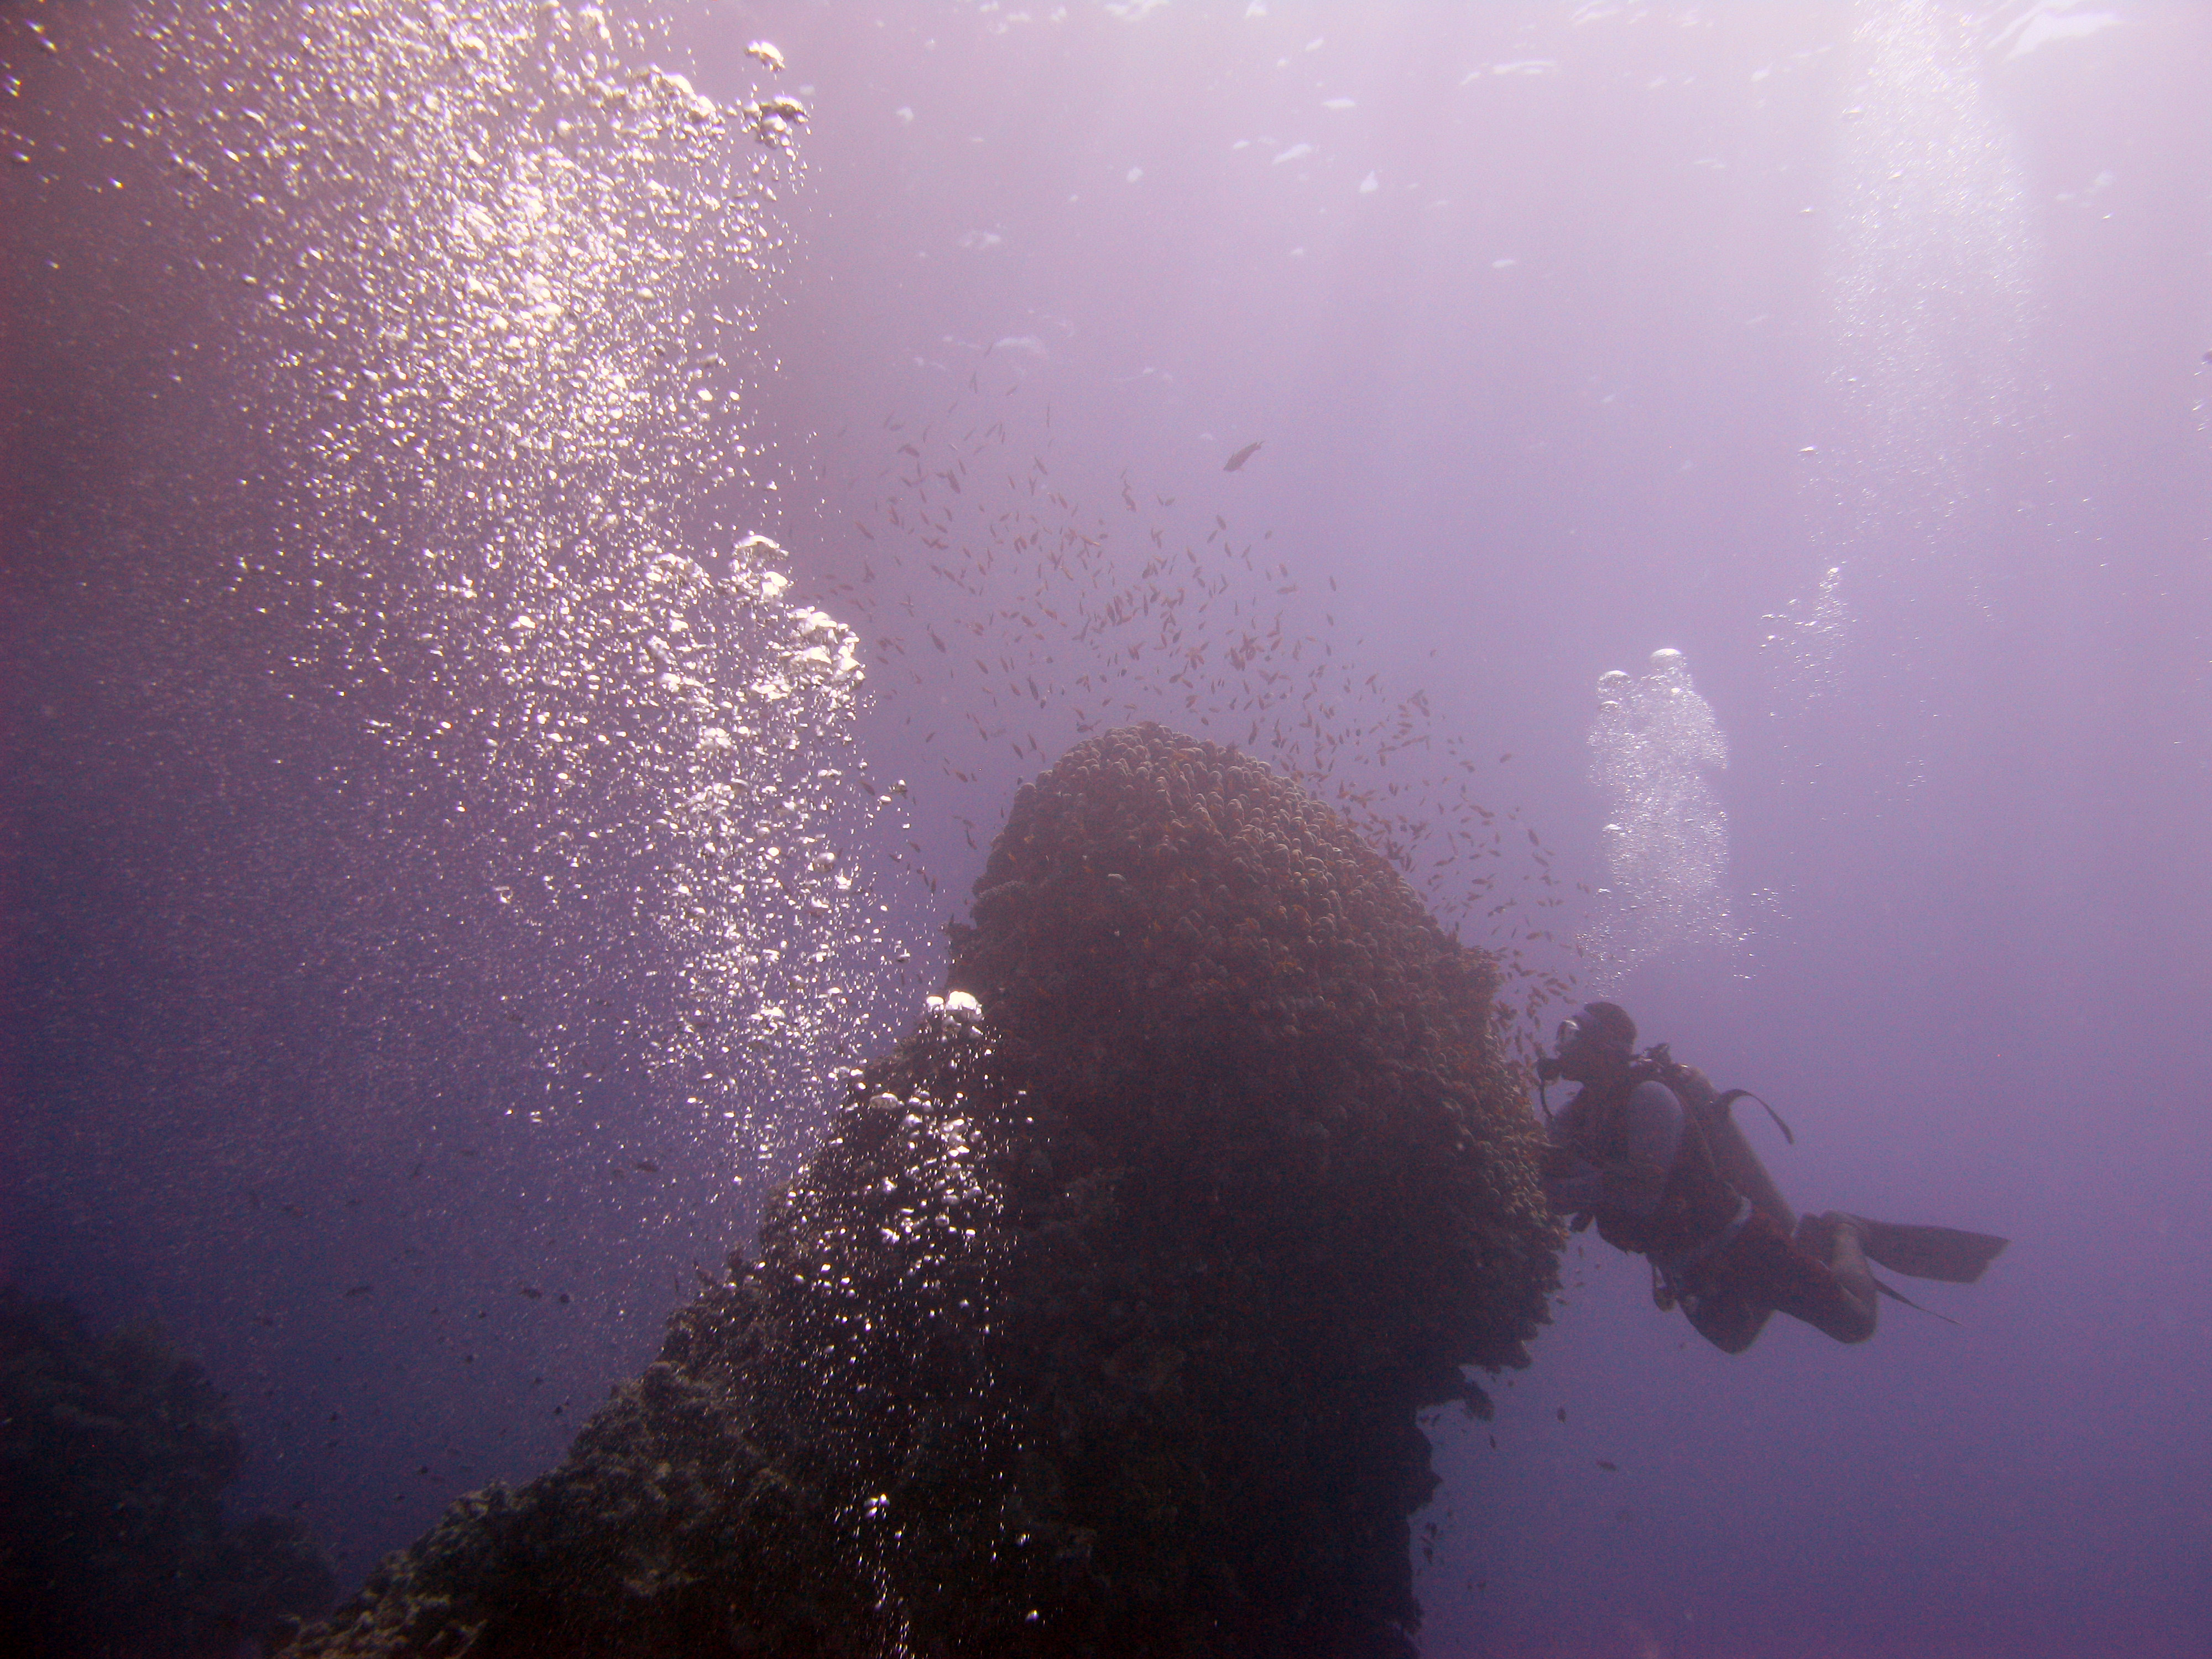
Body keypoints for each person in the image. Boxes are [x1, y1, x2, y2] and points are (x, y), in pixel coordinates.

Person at [1538, 1001, 1879, 1353]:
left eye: (1571, 1035)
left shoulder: (1649, 1097)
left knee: (1856, 1322)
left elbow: (1644, 1199)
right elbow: (1548, 1181)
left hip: (1742, 1244)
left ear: (1604, 1046)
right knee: (1735, 1341)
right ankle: (1802, 1246)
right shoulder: (1575, 1116)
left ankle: (1845, 1228)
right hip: (1683, 1268)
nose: (1559, 1047)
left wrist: (1579, 1184)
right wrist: (1581, 1182)